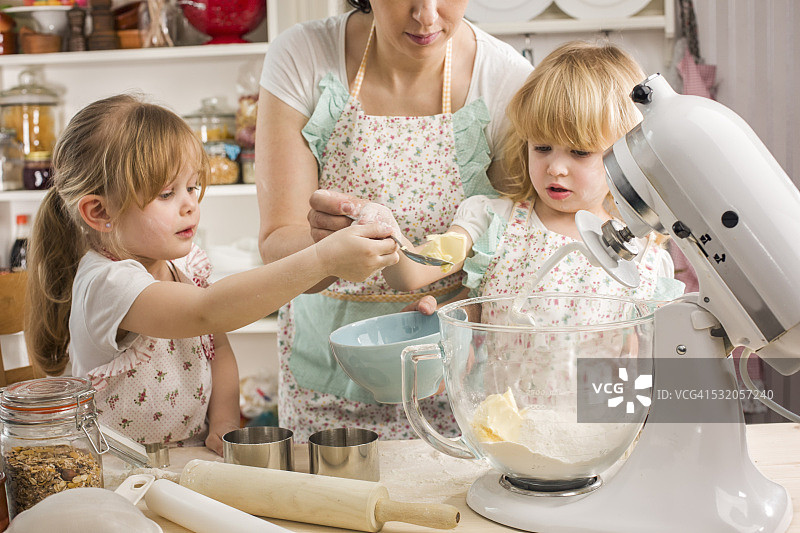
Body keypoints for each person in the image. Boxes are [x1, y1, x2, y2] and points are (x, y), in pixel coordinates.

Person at [25, 94, 399, 454]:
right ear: (100, 212)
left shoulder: (184, 267)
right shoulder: (107, 284)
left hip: (184, 456)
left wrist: (222, 421)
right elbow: (206, 311)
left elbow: (217, 349)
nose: (190, 205)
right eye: (166, 194)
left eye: (191, 187)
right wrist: (324, 259)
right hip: (119, 470)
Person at [256, 0, 533, 441]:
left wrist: (460, 312)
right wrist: (330, 257)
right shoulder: (303, 56)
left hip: (452, 379)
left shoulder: (505, 80)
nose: (426, 15)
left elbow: (509, 244)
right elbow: (276, 242)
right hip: (326, 383)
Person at [381, 41, 685, 304]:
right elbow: (411, 273)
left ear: (625, 157)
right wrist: (382, 230)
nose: (555, 167)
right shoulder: (492, 223)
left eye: (579, 152)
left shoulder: (645, 256)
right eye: (541, 148)